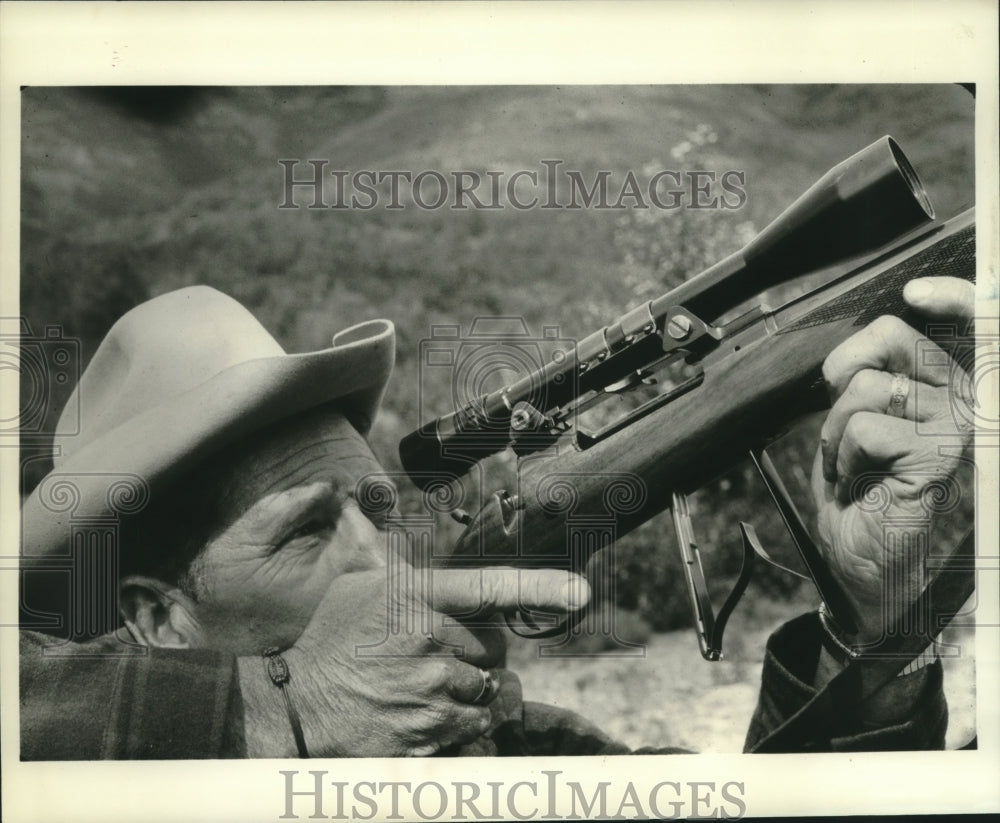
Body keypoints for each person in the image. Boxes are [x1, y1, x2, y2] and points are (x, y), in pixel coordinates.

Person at [18, 275, 976, 758]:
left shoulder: (513, 745)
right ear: (155, 619)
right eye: (307, 530)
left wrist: (877, 631)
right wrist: (284, 710)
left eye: (381, 512)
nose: (384, 564)